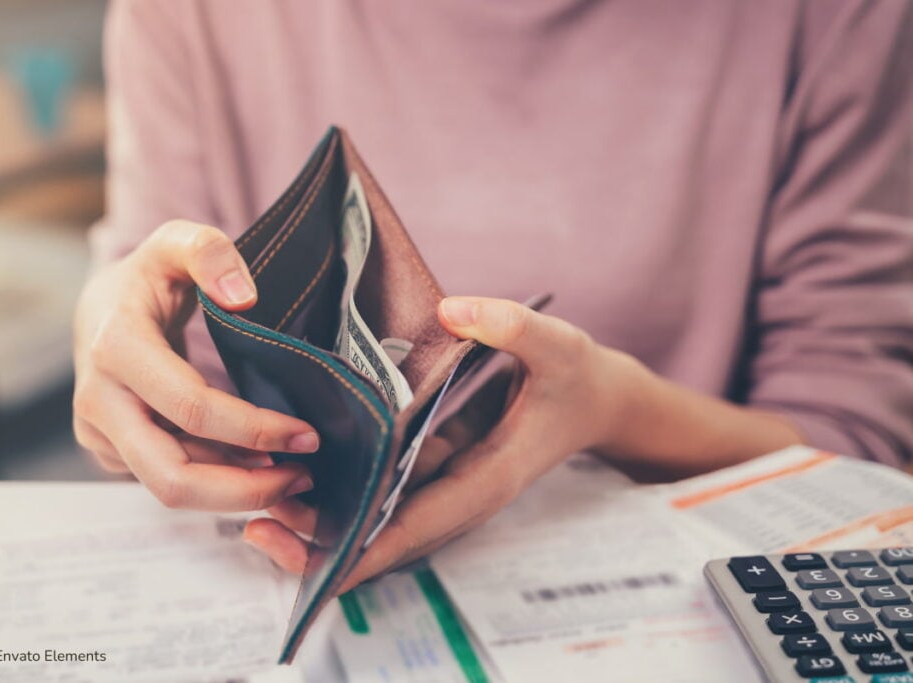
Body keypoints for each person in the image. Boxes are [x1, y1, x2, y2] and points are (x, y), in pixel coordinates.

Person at [74, 0, 913, 588]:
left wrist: (616, 412)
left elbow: (860, 454)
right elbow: (158, 344)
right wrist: (120, 359)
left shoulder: (835, 17)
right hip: (275, 587)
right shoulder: (188, 11)